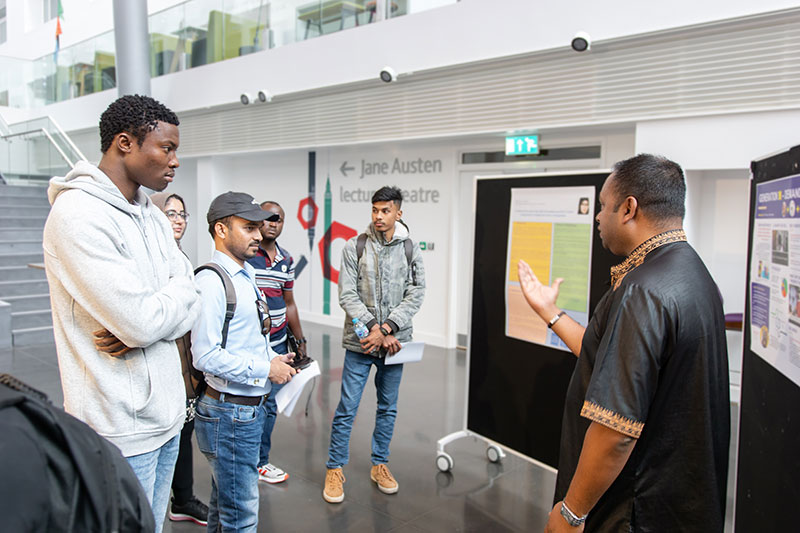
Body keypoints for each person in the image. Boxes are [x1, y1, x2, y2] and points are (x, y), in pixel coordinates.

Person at [517, 154, 730, 532]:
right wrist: (549, 312)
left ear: (629, 208)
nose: (597, 217)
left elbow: (616, 430)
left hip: (634, 509)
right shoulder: (691, 272)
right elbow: (606, 358)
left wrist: (571, 513)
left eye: (603, 206)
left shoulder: (643, 290)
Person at [42, 94, 201, 533]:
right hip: (119, 426)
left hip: (167, 415)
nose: (175, 161)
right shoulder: (78, 214)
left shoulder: (150, 215)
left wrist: (152, 318)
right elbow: (141, 319)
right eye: (166, 148)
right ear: (124, 143)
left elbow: (189, 291)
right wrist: (151, 319)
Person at [191, 191, 297, 532]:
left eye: (259, 226)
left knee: (224, 510)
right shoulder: (211, 281)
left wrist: (273, 358)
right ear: (221, 230)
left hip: (243, 410)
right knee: (242, 517)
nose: (258, 234)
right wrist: (266, 369)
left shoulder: (246, 274)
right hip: (229, 414)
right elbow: (205, 355)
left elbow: (250, 337)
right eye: (249, 227)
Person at [323, 185, 426, 504]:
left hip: (395, 344)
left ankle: (380, 464)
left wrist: (388, 328)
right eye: (375, 210)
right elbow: (347, 295)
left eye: (385, 210)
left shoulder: (411, 248)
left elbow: (417, 292)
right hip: (360, 344)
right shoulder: (354, 246)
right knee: (347, 408)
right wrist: (373, 329)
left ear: (398, 213)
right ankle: (334, 468)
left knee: (388, 407)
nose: (379, 216)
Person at [149, 191, 209, 527]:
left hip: (186, 365)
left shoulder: (180, 257)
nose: (178, 220)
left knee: (184, 432)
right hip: (161, 365)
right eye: (170, 213)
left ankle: (182, 498)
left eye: (182, 214)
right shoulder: (151, 259)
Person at [246, 200, 307, 484]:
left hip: (280, 345)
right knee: (249, 405)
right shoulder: (246, 254)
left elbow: (289, 303)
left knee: (270, 406)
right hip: (251, 347)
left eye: (278, 219)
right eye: (268, 217)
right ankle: (245, 461)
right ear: (259, 220)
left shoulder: (286, 259)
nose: (273, 222)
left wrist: (300, 338)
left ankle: (260, 461)